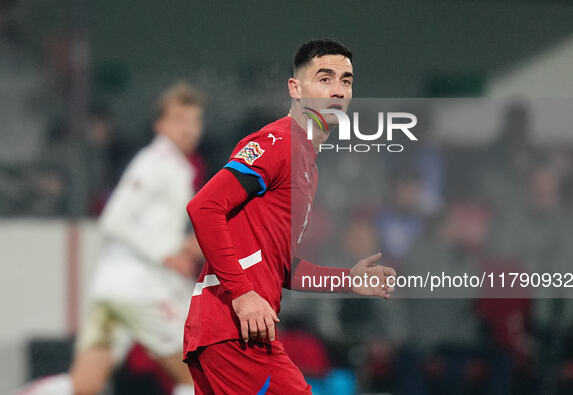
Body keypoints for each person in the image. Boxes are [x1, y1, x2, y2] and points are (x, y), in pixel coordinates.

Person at [184, 39, 396, 394]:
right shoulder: (278, 141)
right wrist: (243, 295)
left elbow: (280, 266)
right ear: (295, 89)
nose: (338, 90)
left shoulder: (306, 165)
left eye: (346, 80)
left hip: (231, 330)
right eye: (324, 78)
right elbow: (203, 207)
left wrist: (346, 279)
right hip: (235, 329)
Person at [18, 82, 205, 395]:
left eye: (194, 121)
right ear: (160, 125)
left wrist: (184, 246)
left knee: (84, 385)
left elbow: (157, 228)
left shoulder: (174, 166)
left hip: (113, 291)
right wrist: (168, 253)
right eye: (179, 120)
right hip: (141, 291)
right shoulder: (154, 163)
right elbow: (114, 220)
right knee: (200, 376)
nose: (188, 129)